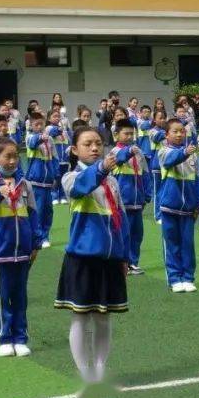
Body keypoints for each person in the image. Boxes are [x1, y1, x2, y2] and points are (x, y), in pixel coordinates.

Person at [56, 126, 129, 384]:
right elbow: (81, 188)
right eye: (87, 144)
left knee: (104, 316)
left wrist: (124, 256)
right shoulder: (71, 177)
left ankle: (100, 367)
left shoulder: (112, 181)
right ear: (75, 150)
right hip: (82, 257)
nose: (95, 148)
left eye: (98, 143)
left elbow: (121, 221)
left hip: (109, 259)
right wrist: (101, 170)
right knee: (80, 315)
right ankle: (84, 371)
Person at [0, 138, 39, 357]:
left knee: (20, 295)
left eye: (16, 156)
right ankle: (5, 337)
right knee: (2, 295)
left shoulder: (25, 185)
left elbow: (33, 215)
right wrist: (0, 191)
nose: (13, 160)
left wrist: (35, 242)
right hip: (1, 249)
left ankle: (21, 337)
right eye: (8, 156)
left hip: (23, 249)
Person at [158, 118, 199, 293]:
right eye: (175, 131)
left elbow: (198, 179)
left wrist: (198, 203)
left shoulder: (193, 155)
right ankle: (175, 277)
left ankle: (188, 277)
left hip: (188, 208)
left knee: (188, 244)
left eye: (182, 131)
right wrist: (184, 152)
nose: (179, 134)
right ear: (167, 134)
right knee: (172, 243)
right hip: (169, 206)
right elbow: (169, 161)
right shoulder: (164, 151)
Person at [110, 120, 152, 275]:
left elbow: (145, 174)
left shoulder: (138, 152)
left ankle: (133, 262)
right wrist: (129, 152)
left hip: (137, 201)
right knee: (122, 233)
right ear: (116, 135)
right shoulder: (114, 152)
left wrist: (147, 194)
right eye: (125, 134)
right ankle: (122, 262)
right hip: (122, 202)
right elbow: (119, 159)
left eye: (131, 134)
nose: (129, 137)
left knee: (137, 234)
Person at [25, 112, 57, 248]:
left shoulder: (49, 140)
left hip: (48, 182)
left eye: (41, 124)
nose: (39, 126)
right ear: (31, 125)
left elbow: (54, 159)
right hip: (35, 181)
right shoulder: (30, 137)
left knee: (48, 211)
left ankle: (45, 236)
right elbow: (32, 144)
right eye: (36, 124)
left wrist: (56, 175)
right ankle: (37, 237)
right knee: (37, 210)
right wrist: (40, 137)